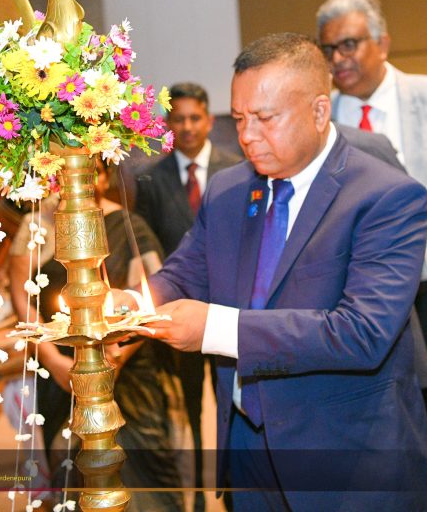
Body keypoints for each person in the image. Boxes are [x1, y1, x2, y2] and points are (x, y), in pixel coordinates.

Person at [117, 33, 427, 511]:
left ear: (319, 111)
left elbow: (363, 332)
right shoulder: (229, 189)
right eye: (239, 119)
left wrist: (216, 329)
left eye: (265, 118)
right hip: (246, 447)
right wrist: (134, 304)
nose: (247, 136)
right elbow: (186, 272)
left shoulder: (386, 197)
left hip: (343, 456)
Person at [9, 159, 191, 512]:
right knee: (73, 465)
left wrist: (116, 357)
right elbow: (21, 294)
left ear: (106, 177)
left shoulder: (129, 224)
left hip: (129, 362)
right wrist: (53, 360)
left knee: (141, 465)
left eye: (91, 173)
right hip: (59, 362)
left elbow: (151, 297)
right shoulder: (37, 225)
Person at [135, 81, 240, 509]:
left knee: (231, 403)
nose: (188, 126)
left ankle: (230, 487)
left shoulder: (237, 169)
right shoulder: (150, 178)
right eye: (178, 119)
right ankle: (196, 492)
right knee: (190, 405)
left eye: (195, 117)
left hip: (229, 310)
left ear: (209, 120)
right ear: (168, 124)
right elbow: (147, 243)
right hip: (177, 310)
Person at [317, 0, 427, 398]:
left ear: (382, 43)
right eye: (328, 49)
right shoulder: (319, 119)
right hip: (360, 294)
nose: (338, 58)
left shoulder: (422, 96)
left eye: (348, 44)